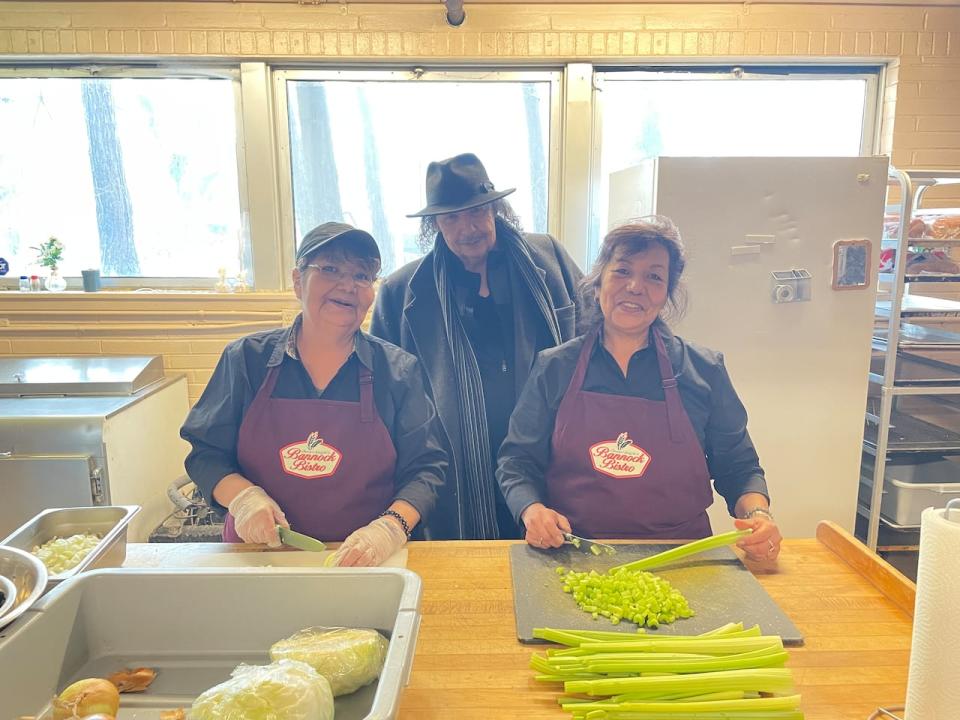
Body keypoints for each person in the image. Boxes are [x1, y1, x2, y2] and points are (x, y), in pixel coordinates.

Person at [496, 218, 781, 561]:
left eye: (654, 276)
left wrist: (758, 517)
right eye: (622, 271)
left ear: (667, 294)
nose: (635, 286)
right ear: (598, 283)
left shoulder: (704, 371)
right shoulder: (554, 367)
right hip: (573, 553)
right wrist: (532, 510)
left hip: (680, 558)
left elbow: (739, 467)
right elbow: (516, 462)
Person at [181, 222, 447, 566]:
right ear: (297, 281)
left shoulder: (397, 371)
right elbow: (206, 454)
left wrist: (389, 529)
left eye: (362, 275)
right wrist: (243, 498)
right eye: (331, 269)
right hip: (259, 556)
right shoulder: (246, 360)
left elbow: (427, 468)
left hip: (362, 561)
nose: (348, 285)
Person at [371, 153, 583, 540]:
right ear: (434, 224)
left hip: (545, 449)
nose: (467, 227)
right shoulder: (401, 292)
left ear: (495, 209)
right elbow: (386, 399)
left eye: (476, 212)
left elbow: (591, 336)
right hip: (457, 465)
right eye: (451, 217)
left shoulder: (548, 259)